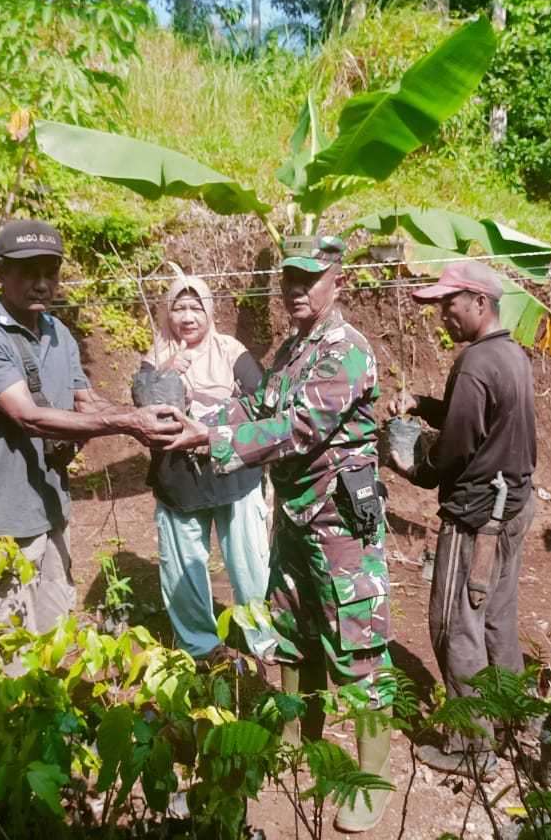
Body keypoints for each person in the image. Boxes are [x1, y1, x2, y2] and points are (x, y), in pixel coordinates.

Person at [166, 235, 394, 833]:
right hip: (295, 518)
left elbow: (297, 426)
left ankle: (373, 782)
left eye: (309, 279)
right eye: (289, 278)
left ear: (336, 283)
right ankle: (295, 735)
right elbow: (258, 404)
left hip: (341, 527)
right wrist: (205, 421)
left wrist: (211, 442)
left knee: (358, 647)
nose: (295, 288)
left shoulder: (347, 351)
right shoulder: (294, 348)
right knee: (293, 630)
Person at [0, 218, 180, 639]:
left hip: (51, 509)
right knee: (6, 646)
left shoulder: (59, 333)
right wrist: (128, 422)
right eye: (27, 272)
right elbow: (27, 416)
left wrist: (149, 415)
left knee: (55, 632)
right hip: (3, 518)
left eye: (49, 272)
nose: (41, 284)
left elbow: (86, 401)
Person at [386, 259, 537, 779]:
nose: (442, 316)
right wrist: (424, 404)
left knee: (455, 624)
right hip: (512, 504)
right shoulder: (511, 354)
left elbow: (454, 452)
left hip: (475, 517)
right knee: (497, 618)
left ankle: (471, 745)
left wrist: (411, 466)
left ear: (479, 302)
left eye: (449, 306)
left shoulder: (474, 363)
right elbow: (481, 418)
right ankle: (518, 723)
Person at [138, 275, 276, 667]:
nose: (187, 316)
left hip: (232, 471)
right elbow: (142, 405)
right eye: (178, 308)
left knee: (250, 562)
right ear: (168, 313)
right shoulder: (157, 354)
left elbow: (262, 398)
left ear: (210, 310)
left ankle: (263, 638)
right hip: (180, 478)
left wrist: (216, 416)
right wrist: (167, 369)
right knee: (183, 566)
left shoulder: (230, 350)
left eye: (195, 307)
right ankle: (199, 644)